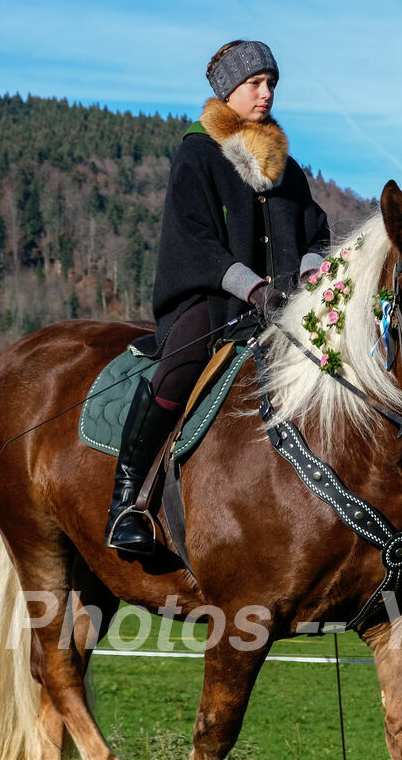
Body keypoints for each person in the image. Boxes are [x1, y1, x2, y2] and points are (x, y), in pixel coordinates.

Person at [107, 40, 332, 553]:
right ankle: (125, 505)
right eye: (256, 83)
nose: (266, 93)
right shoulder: (198, 153)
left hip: (283, 315)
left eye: (271, 83)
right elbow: (193, 240)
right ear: (227, 90)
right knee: (179, 365)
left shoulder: (286, 169)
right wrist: (252, 288)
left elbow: (317, 232)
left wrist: (310, 274)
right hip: (212, 304)